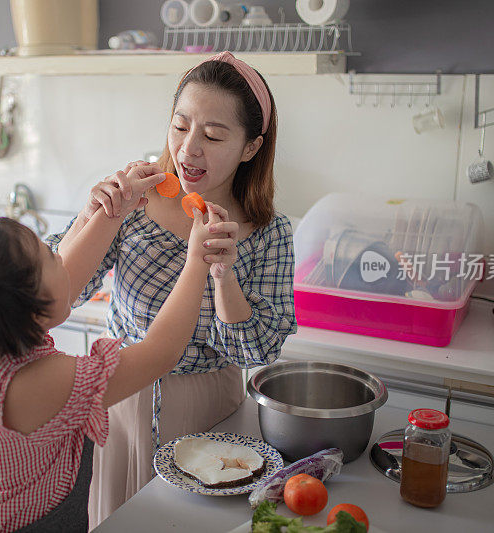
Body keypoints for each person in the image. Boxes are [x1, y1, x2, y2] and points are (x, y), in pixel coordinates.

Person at [46, 51, 297, 527]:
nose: (189, 149)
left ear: (250, 148)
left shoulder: (268, 232)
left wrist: (224, 275)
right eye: (180, 127)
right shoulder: (136, 200)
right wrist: (92, 218)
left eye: (214, 135)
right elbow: (59, 293)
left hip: (211, 412)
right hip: (118, 399)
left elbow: (259, 348)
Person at [0, 168, 220, 532]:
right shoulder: (43, 382)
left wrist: (113, 212)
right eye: (50, 257)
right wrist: (198, 258)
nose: (61, 256)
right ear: (30, 302)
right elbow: (160, 352)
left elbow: (65, 282)